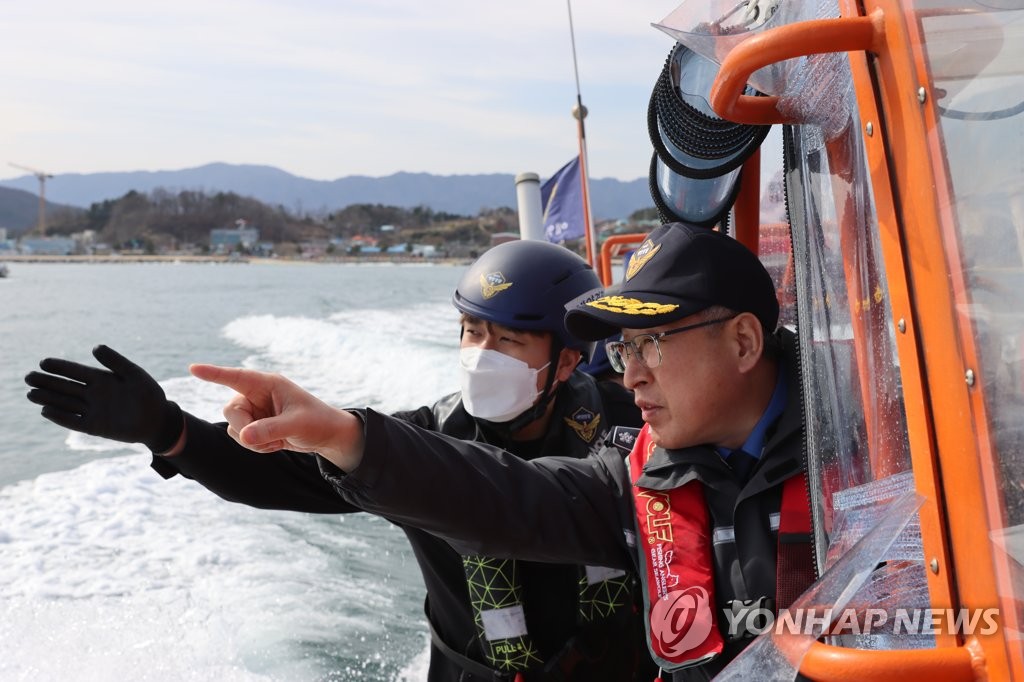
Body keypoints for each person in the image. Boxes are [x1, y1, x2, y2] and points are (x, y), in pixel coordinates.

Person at [174, 222, 815, 680]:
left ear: (742, 343)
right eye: (626, 349)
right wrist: (176, 435)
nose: (635, 374)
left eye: (656, 344)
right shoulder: (639, 475)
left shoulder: (862, 458)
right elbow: (503, 496)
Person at [24, 239, 657, 681]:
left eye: (508, 340)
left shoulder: (630, 426)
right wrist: (168, 431)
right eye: (471, 332)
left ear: (569, 360)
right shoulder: (420, 446)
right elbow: (287, 472)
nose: (481, 355)